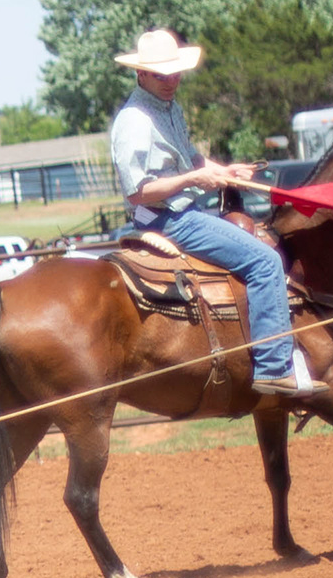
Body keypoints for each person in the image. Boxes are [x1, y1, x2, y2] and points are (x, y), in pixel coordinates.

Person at [101, 27, 316, 399]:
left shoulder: (169, 108)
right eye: (161, 75)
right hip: (170, 219)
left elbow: (190, 159)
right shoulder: (134, 121)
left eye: (175, 73)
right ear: (141, 74)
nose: (171, 80)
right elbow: (138, 192)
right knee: (266, 261)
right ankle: (274, 367)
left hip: (181, 211)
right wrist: (193, 179)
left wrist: (224, 171)